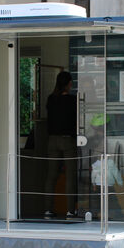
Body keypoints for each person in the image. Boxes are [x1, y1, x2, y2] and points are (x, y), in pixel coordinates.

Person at [44, 71, 77, 218]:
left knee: (51, 176)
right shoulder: (71, 100)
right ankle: (70, 210)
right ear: (69, 83)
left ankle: (48, 209)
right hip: (67, 140)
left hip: (52, 140)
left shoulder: (51, 99)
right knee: (70, 175)